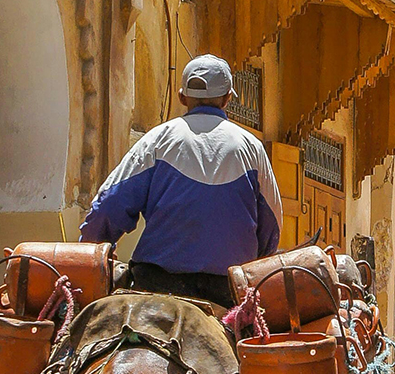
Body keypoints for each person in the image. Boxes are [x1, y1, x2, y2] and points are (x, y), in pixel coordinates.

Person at [79, 54, 282, 307]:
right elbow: (271, 227)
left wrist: (91, 253)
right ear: (228, 99)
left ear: (182, 97)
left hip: (156, 283)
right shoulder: (252, 148)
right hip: (228, 291)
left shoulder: (157, 140)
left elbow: (109, 206)